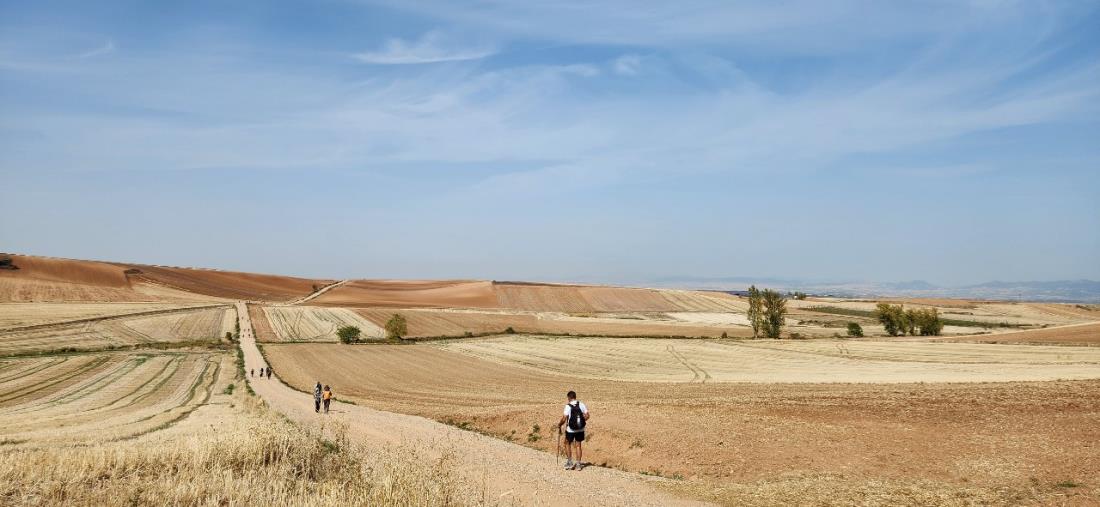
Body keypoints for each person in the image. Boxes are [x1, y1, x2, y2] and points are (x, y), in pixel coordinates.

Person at [557, 390, 589, 470]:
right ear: (575, 397)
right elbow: (587, 415)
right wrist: (582, 421)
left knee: (567, 443)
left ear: (569, 397)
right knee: (578, 445)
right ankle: (578, 464)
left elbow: (564, 418)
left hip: (570, 429)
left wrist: (560, 424)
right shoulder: (581, 404)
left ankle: (570, 462)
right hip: (580, 429)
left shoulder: (568, 406)